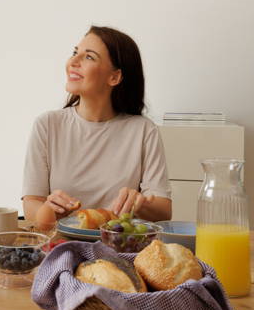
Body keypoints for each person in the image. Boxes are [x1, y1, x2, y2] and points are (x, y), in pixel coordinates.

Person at [22, 26, 172, 223]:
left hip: (119, 246)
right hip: (61, 245)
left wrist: (140, 203)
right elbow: (32, 203)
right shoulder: (48, 125)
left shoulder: (143, 130)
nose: (73, 62)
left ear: (114, 77)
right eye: (75, 53)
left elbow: (164, 211)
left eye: (89, 57)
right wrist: (49, 211)